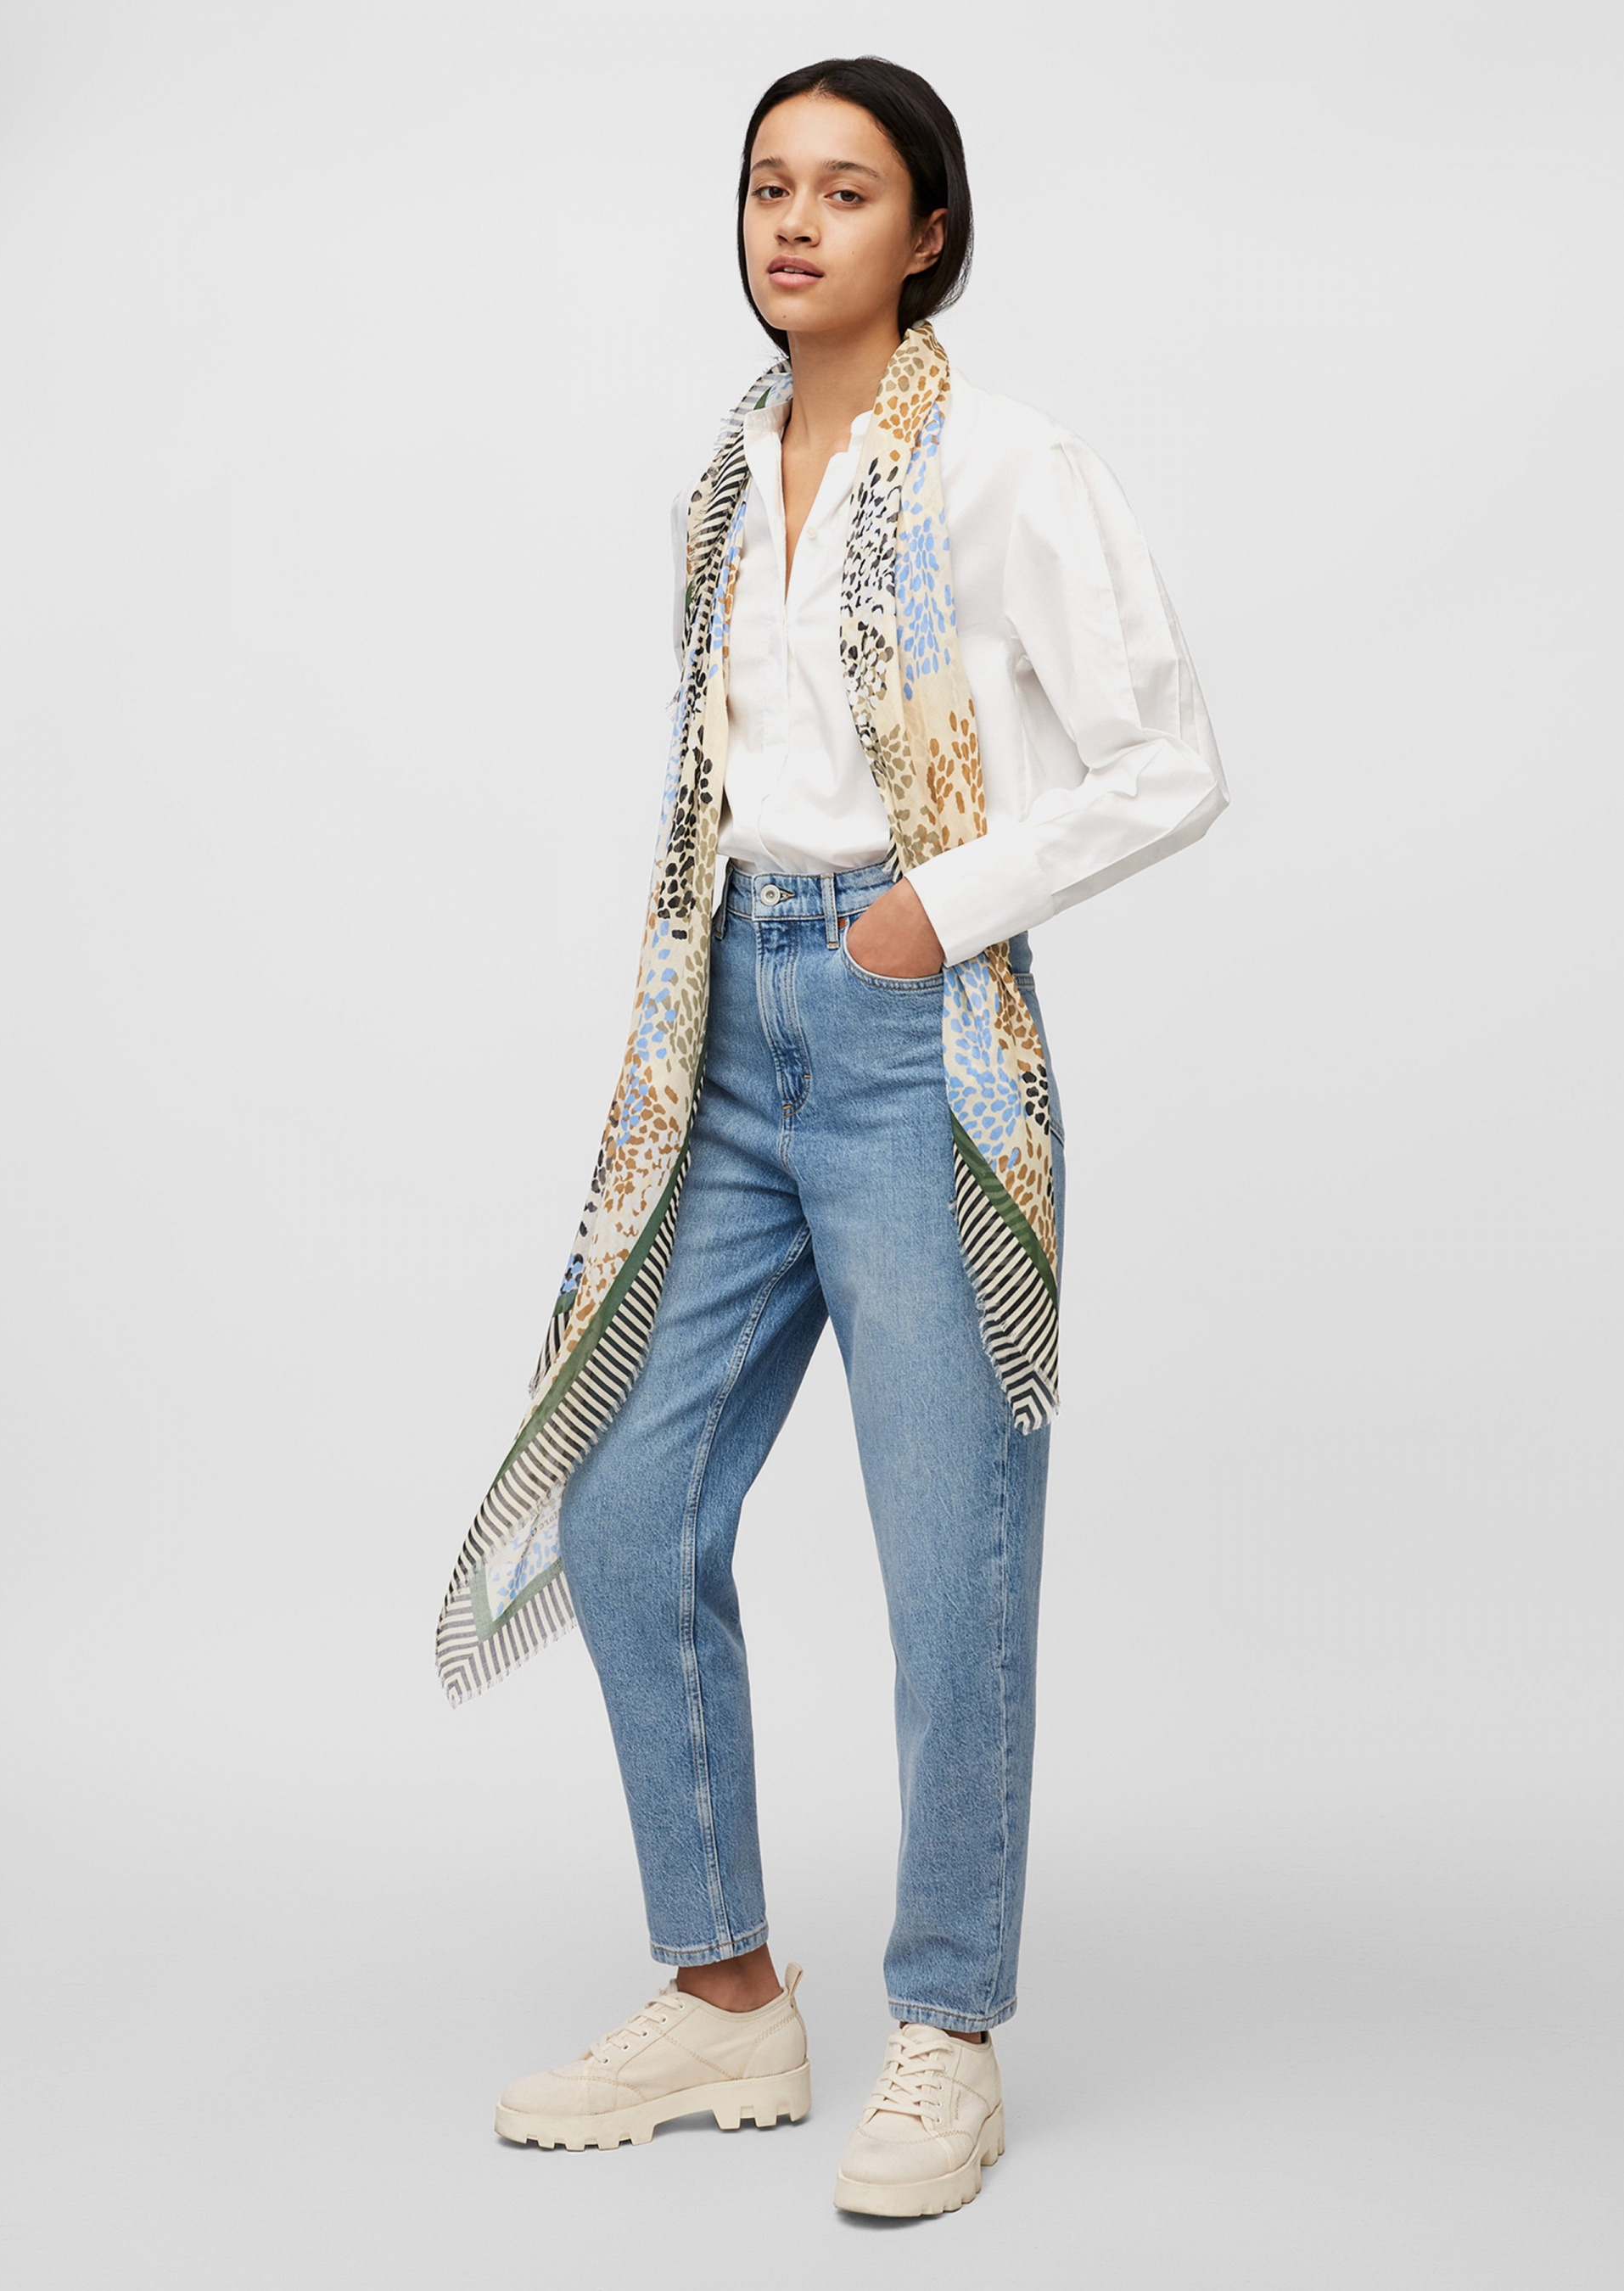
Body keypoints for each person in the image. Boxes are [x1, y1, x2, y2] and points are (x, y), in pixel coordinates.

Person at [439, 54, 1228, 2217]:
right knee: (624, 1504)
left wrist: (935, 911)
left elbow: (1165, 760)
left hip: (910, 1038)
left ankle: (944, 2028)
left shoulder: (1004, 466)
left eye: (844, 191)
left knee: (945, 1555)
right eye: (766, 185)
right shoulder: (721, 478)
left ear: (927, 233)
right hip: (728, 1033)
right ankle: (724, 1997)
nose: (791, 224)